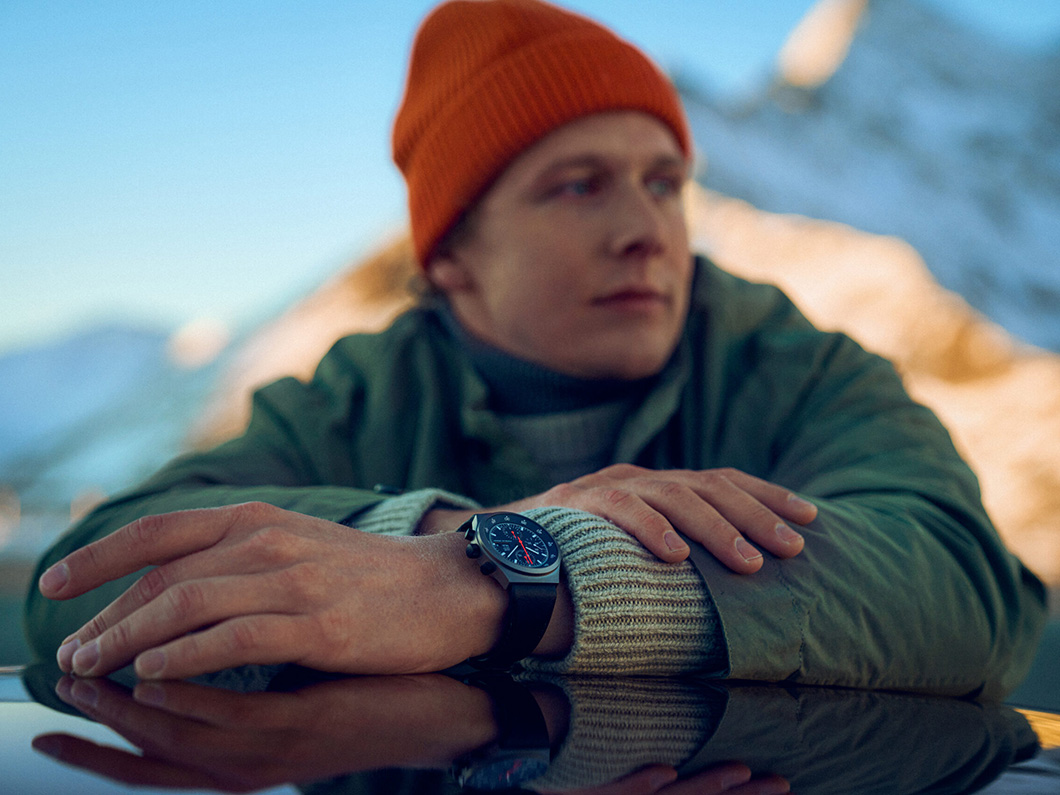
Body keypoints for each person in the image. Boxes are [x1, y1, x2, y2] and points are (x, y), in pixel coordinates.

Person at [25, 0, 1045, 697]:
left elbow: (966, 589)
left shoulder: (793, 366)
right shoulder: (361, 394)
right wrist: (436, 536)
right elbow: (87, 575)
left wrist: (508, 578)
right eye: (579, 185)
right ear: (452, 257)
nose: (646, 229)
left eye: (663, 183)